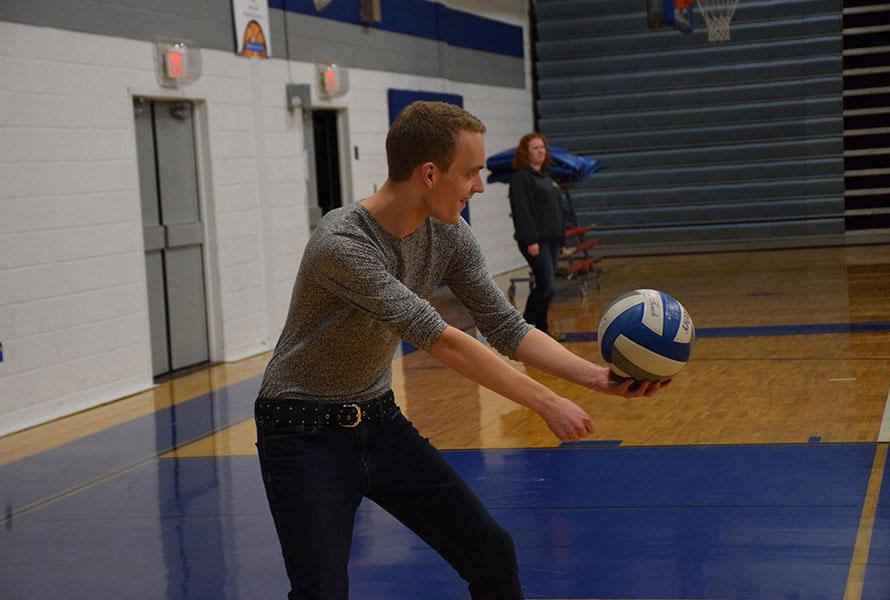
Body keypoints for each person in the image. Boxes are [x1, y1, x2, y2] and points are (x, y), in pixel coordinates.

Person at [255, 101, 665, 600]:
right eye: (470, 172)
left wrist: (597, 378)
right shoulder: (342, 243)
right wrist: (546, 401)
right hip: (300, 432)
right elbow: (445, 339)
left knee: (489, 551)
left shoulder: (448, 233)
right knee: (321, 592)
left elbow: (506, 326)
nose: (478, 185)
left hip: (379, 422)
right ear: (429, 173)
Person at [508, 133, 564, 336]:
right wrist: (531, 240)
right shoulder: (521, 178)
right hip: (535, 241)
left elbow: (557, 210)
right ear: (525, 152)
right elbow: (522, 212)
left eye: (542, 147)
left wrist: (561, 240)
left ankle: (540, 329)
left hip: (552, 240)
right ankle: (526, 327)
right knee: (546, 284)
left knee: (547, 286)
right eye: (535, 148)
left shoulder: (547, 178)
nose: (540, 151)